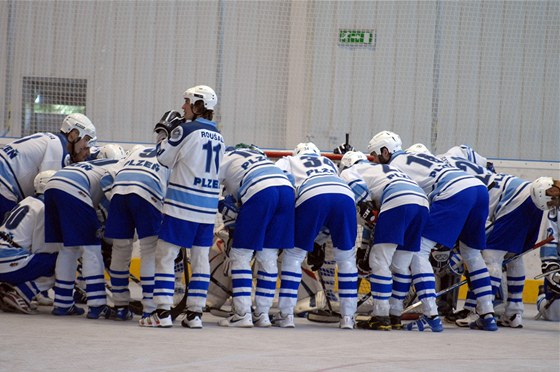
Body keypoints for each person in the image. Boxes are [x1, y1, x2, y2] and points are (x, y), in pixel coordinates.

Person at [368, 131, 496, 331]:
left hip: (453, 191)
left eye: (375, 155)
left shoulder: (393, 166)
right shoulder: (421, 156)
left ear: (385, 151)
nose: (375, 161)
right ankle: (488, 314)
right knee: (471, 253)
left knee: (418, 252)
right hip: (478, 189)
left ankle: (430, 315)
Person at [144, 85, 225, 328]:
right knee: (200, 259)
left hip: (182, 205)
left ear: (198, 104)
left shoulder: (185, 129)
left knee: (166, 255)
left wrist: (162, 134)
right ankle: (195, 314)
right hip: (207, 208)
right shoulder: (219, 136)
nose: (183, 106)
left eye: (187, 102)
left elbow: (163, 158)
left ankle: (162, 313)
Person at [339, 151, 430, 330]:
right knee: (401, 264)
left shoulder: (350, 170)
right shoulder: (385, 168)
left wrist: (367, 210)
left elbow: (360, 194)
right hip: (421, 201)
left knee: (379, 260)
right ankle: (395, 314)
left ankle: (381, 315)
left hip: (397, 199)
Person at [274, 142, 358, 329]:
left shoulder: (288, 160)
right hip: (345, 195)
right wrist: (319, 241)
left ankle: (286, 315)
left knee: (294, 255)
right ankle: (348, 318)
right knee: (346, 259)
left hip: (311, 194)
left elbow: (278, 184)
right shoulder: (328, 162)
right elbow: (330, 204)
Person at [216, 144, 295, 327]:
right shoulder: (263, 158)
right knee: (268, 256)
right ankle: (262, 314)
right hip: (286, 189)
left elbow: (210, 188)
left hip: (259, 189)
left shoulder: (225, 157)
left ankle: (242, 314)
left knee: (241, 255)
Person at [43, 146, 125, 318]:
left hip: (53, 183)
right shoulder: (123, 166)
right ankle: (97, 305)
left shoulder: (96, 163)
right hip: (73, 187)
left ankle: (62, 303)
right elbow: (109, 197)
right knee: (92, 249)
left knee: (67, 249)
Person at [103, 138, 170, 321]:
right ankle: (149, 308)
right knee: (149, 249)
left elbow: (106, 177)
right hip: (149, 190)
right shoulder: (174, 154)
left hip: (119, 191)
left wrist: (119, 202)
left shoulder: (136, 150)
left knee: (120, 248)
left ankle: (120, 307)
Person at [0, 113, 96, 220]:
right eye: (86, 139)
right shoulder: (57, 149)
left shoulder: (54, 142)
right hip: (4, 186)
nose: (87, 148)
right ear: (73, 134)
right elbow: (49, 193)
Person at [0, 170, 59, 314]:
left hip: (5, 256)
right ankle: (21, 294)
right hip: (9, 262)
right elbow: (43, 249)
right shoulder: (44, 209)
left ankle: (6, 289)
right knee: (59, 260)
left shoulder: (27, 201)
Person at [537, 206, 560, 321]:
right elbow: (549, 243)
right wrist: (553, 272)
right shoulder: (556, 211)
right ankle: (542, 297)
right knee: (555, 315)